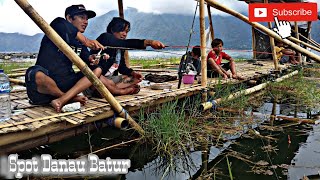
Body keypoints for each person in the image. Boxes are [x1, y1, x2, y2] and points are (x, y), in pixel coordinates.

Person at [90, 17, 165, 96]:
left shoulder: (120, 49)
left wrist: (133, 73)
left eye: (126, 31)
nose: (125, 34)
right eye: (122, 30)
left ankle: (109, 90)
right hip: (97, 78)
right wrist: (149, 42)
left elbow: (122, 67)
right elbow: (125, 43)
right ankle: (119, 91)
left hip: (110, 80)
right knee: (104, 81)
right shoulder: (105, 37)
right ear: (113, 29)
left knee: (135, 79)